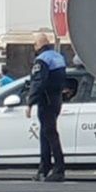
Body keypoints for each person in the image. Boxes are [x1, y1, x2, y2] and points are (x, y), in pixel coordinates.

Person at [27, 32, 67, 182]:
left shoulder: (41, 59)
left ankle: (59, 169)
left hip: (46, 100)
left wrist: (30, 102)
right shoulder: (58, 56)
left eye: (34, 44)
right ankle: (44, 168)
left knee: (50, 134)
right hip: (56, 99)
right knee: (45, 133)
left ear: (38, 45)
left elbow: (38, 82)